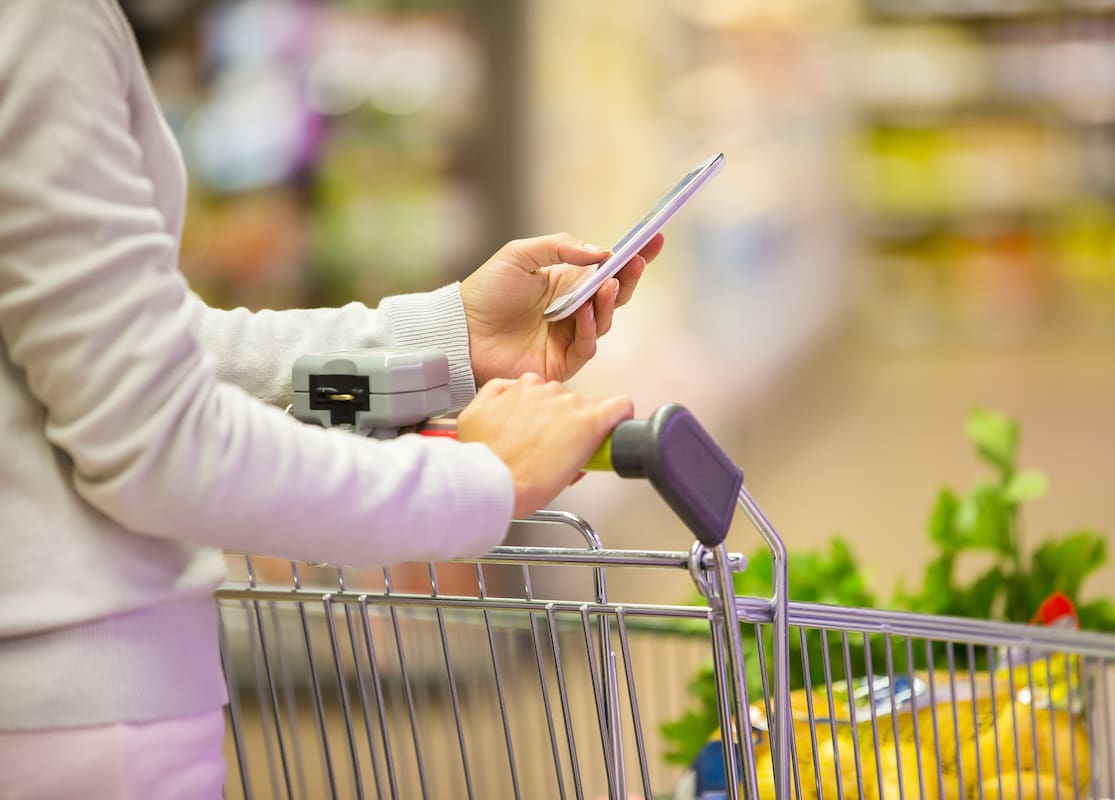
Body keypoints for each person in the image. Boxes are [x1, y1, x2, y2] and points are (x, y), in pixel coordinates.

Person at [0, 0, 664, 796]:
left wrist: (447, 334)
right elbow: (156, 434)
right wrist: (477, 479)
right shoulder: (44, 20)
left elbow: (143, 355)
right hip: (74, 709)